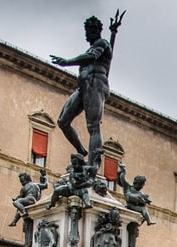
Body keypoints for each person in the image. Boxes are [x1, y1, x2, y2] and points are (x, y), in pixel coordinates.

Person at [50, 13, 121, 171]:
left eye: (93, 28)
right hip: (84, 87)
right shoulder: (100, 45)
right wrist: (114, 33)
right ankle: (82, 151)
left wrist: (68, 62)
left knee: (93, 126)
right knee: (63, 121)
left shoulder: (101, 44)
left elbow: (92, 57)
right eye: (88, 29)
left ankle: (93, 165)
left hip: (96, 84)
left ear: (98, 30)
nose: (90, 32)